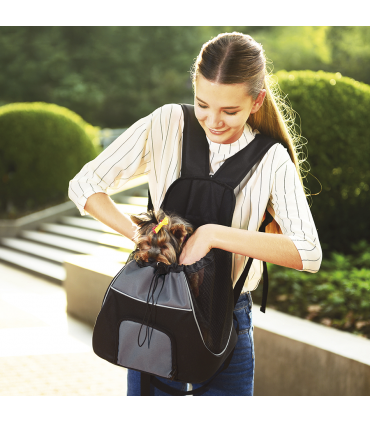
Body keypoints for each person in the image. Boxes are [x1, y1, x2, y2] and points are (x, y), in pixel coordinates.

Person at [68, 32, 322, 396]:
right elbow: (84, 185)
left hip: (228, 322)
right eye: (202, 104)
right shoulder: (167, 123)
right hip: (154, 311)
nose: (213, 120)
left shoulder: (271, 159)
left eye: (229, 111)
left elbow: (308, 253)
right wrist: (146, 238)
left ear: (257, 101)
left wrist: (211, 235)